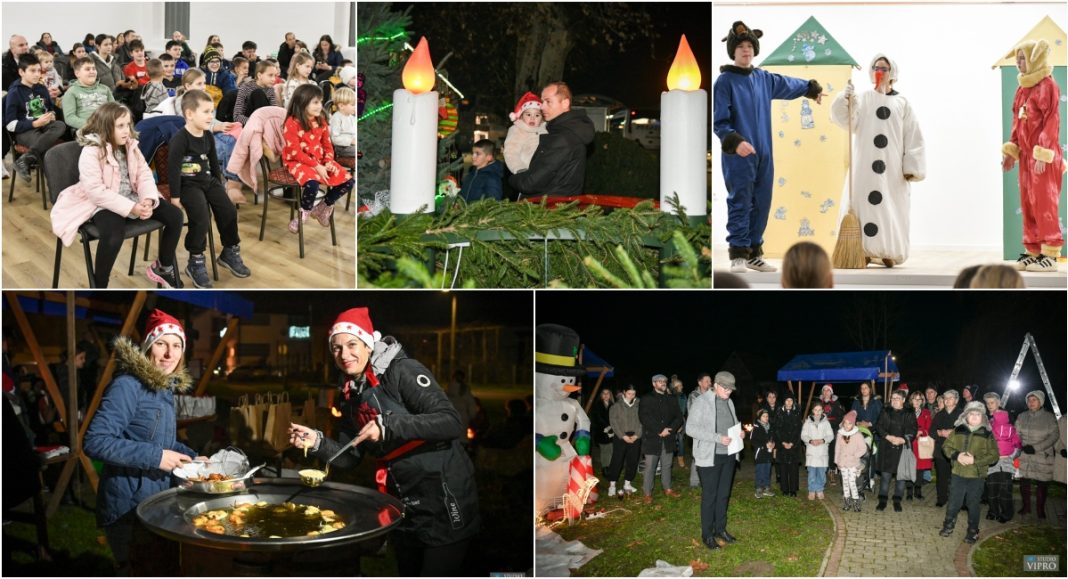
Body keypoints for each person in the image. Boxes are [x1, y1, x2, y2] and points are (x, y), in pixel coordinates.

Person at [287, 307, 479, 576]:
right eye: (336, 348)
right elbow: (349, 457)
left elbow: (451, 422)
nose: (344, 355)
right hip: (401, 500)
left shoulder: (403, 370)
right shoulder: (349, 394)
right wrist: (317, 442)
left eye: (352, 344)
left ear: (368, 342)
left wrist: (387, 425)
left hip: (442, 494)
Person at [83, 309, 201, 574]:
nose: (170, 354)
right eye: (161, 344)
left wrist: (194, 459)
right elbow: (95, 441)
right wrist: (157, 458)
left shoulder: (164, 388)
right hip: (128, 508)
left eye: (177, 345)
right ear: (148, 345)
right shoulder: (128, 385)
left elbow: (164, 441)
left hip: (158, 503)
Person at [714, 21, 824, 273]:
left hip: (764, 154)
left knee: (763, 201)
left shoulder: (763, 78)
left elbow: (788, 84)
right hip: (739, 154)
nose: (746, 50)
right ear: (733, 51)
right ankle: (738, 255)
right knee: (740, 201)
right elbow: (720, 121)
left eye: (750, 46)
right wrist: (735, 141)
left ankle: (754, 253)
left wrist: (810, 89)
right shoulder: (725, 81)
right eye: (741, 46)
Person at [50, 103, 185, 288]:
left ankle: (163, 267)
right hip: (101, 203)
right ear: (105, 127)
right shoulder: (91, 151)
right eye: (120, 126)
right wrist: (132, 208)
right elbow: (96, 192)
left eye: (128, 125)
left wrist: (147, 199)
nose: (127, 131)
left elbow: (144, 174)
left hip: (132, 196)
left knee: (176, 216)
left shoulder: (130, 145)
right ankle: (100, 285)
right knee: (113, 236)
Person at [830, 54, 926, 267]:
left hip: (892, 167)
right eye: (875, 67)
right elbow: (846, 122)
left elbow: (913, 135)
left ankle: (888, 250)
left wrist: (912, 166)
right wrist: (843, 100)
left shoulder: (902, 103)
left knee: (891, 207)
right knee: (862, 205)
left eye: (884, 67)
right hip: (864, 163)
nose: (879, 71)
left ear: (893, 73)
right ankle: (862, 250)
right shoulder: (863, 98)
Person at [167, 89, 250, 287]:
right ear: (189, 114)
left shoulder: (207, 136)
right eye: (206, 112)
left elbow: (213, 163)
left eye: (211, 111)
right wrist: (175, 197)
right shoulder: (180, 139)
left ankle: (229, 251)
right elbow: (173, 169)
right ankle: (195, 261)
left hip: (208, 181)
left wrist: (219, 187)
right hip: (188, 185)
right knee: (202, 217)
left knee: (228, 210)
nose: (211, 116)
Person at [1001, 39, 1062, 272]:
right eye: (1017, 58)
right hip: (1026, 157)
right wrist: (1011, 151)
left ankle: (1051, 254)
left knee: (1045, 203)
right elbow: (1017, 122)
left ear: (1035, 58)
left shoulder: (1048, 85)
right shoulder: (1021, 88)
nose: (1018, 62)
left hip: (1043, 158)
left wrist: (1042, 153)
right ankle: (1033, 250)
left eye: (1023, 57)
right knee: (1028, 204)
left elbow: (1052, 121)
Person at [283, 84, 353, 233]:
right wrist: (316, 166)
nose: (319, 106)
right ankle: (303, 214)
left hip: (320, 161)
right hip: (298, 161)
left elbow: (328, 146)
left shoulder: (321, 120)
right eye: (315, 102)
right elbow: (295, 152)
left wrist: (328, 162)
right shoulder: (292, 122)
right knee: (312, 184)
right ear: (302, 101)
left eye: (320, 102)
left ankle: (323, 206)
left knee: (349, 181)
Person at [508, 81, 595, 198]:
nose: (542, 106)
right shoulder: (564, 131)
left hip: (547, 209)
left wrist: (513, 178)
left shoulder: (563, 137)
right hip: (554, 207)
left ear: (565, 103)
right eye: (542, 101)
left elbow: (530, 183)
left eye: (548, 101)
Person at [687, 371, 742, 550]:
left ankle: (720, 529)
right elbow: (690, 429)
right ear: (716, 385)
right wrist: (718, 438)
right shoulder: (702, 402)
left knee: (723, 494)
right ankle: (707, 535)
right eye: (726, 388)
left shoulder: (730, 402)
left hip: (729, 455)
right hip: (710, 456)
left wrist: (738, 432)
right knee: (710, 497)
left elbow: (731, 423)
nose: (729, 392)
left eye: (731, 389)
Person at [939, 401, 1000, 544]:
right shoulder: (958, 430)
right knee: (954, 502)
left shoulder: (987, 434)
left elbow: (994, 456)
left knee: (973, 504)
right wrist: (957, 455)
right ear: (965, 416)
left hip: (976, 476)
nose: (974, 417)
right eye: (971, 414)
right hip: (958, 474)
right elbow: (946, 447)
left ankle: (973, 531)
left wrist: (975, 460)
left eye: (977, 414)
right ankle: (948, 525)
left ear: (983, 418)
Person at [5, 53, 68, 182]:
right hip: (25, 131)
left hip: (45, 126)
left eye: (39, 70)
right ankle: (58, 185)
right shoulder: (14, 92)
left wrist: (52, 115)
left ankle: (25, 160)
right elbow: (10, 125)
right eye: (32, 71)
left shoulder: (41, 88)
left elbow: (50, 108)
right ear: (21, 72)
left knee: (60, 125)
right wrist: (34, 124)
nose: (37, 74)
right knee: (47, 146)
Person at [639, 373, 684, 503]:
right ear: (654, 384)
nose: (663, 383)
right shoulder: (646, 398)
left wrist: (670, 429)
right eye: (659, 381)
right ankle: (647, 493)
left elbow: (679, 417)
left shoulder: (671, 399)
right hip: (653, 438)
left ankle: (668, 488)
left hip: (668, 437)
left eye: (664, 381)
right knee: (650, 467)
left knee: (667, 465)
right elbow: (644, 417)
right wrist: (659, 429)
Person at [1015, 390, 1058, 518]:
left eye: (1034, 400)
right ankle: (1026, 507)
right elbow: (1016, 434)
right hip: (1024, 455)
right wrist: (1021, 444)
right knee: (1024, 482)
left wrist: (1036, 448)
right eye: (1029, 400)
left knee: (1042, 484)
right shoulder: (1021, 416)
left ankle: (1040, 509)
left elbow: (1054, 435)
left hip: (1042, 456)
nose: (1031, 402)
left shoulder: (1049, 417)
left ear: (1041, 401)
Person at [875, 386, 917, 512]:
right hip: (887, 446)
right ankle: (882, 500)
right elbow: (879, 426)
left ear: (903, 400)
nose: (894, 400)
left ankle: (897, 500)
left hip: (902, 448)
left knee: (901, 477)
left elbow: (913, 429)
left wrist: (903, 439)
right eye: (892, 398)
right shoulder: (885, 410)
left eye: (897, 398)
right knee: (885, 476)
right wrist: (888, 436)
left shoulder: (909, 413)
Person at [984, 393, 1021, 523]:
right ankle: (993, 511)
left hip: (1006, 462)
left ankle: (1007, 513)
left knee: (1005, 490)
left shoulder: (1009, 425)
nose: (989, 405)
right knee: (992, 489)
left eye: (992, 402)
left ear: (999, 403)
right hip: (991, 462)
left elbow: (1017, 444)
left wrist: (1010, 457)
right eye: (987, 403)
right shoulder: (988, 422)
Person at [606, 384, 641, 498]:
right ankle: (612, 485)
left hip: (635, 437)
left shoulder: (639, 405)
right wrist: (623, 436)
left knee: (632, 460)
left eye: (633, 394)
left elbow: (642, 421)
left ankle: (627, 484)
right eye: (629, 393)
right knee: (617, 460)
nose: (631, 396)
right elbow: (613, 422)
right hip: (620, 437)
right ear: (624, 392)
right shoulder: (616, 406)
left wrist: (637, 435)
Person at [61, 56, 115, 130]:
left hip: (108, 126)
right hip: (87, 129)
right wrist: (93, 125)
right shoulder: (71, 92)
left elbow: (115, 109)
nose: (92, 71)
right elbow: (69, 118)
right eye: (87, 69)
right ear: (77, 73)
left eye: (94, 68)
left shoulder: (105, 89)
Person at [503, 91, 547, 174]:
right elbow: (511, 152)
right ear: (521, 116)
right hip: (525, 171)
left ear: (542, 118)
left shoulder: (545, 130)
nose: (532, 118)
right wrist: (519, 169)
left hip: (544, 173)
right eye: (528, 114)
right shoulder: (517, 129)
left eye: (537, 115)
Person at [931, 389, 962, 507]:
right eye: (946, 398)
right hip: (941, 450)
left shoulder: (962, 414)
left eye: (951, 398)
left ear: (956, 400)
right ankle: (941, 499)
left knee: (957, 477)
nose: (947, 400)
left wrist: (952, 432)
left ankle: (959, 501)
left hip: (957, 450)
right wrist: (940, 433)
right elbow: (931, 431)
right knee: (941, 477)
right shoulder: (939, 414)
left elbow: (967, 430)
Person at [836, 410, 867, 511]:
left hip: (853, 463)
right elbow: (837, 448)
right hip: (843, 463)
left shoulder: (857, 435)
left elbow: (863, 448)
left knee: (852, 482)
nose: (846, 425)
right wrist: (837, 461)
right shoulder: (840, 434)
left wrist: (855, 455)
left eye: (849, 423)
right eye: (845, 423)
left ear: (853, 424)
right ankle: (847, 502)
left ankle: (856, 502)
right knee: (845, 483)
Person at [802, 402, 834, 500]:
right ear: (812, 411)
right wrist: (810, 441)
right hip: (811, 450)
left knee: (821, 473)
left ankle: (819, 489)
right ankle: (812, 490)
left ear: (822, 411)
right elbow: (803, 435)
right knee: (811, 473)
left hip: (822, 451)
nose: (817, 412)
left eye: (819, 410)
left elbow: (831, 435)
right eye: (815, 410)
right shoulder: (808, 422)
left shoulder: (826, 422)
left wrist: (823, 440)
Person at [774, 392, 803, 497]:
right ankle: (785, 489)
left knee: (793, 468)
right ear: (784, 402)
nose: (789, 402)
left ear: (793, 402)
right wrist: (782, 442)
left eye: (791, 400)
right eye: (787, 400)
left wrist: (792, 443)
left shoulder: (797, 412)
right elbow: (777, 429)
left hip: (793, 444)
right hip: (782, 444)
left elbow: (798, 429)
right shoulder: (779, 412)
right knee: (783, 467)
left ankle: (793, 489)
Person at [233, 60, 278, 126]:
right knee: (258, 93)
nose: (274, 79)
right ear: (259, 75)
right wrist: (256, 123)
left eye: (275, 75)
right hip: (250, 124)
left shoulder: (271, 89)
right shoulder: (245, 87)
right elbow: (237, 116)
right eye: (270, 75)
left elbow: (274, 112)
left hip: (266, 125)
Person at [687, 373, 713, 487]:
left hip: (711, 430)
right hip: (698, 429)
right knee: (697, 454)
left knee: (709, 454)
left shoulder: (712, 394)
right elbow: (692, 412)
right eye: (707, 381)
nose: (709, 383)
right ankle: (694, 481)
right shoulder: (694, 395)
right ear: (700, 382)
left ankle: (706, 480)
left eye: (710, 381)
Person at [907, 390, 933, 500]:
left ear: (922, 401)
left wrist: (922, 432)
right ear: (911, 400)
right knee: (908, 467)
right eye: (914, 399)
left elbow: (930, 428)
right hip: (909, 443)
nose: (917, 401)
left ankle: (917, 491)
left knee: (920, 469)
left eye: (919, 399)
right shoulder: (907, 412)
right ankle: (909, 493)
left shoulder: (926, 412)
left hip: (921, 444)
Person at [818, 384, 845, 481]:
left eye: (828, 390)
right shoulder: (818, 403)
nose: (826, 392)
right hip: (820, 431)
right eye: (824, 390)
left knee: (832, 451)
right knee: (821, 451)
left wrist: (829, 423)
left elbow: (840, 417)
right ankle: (821, 472)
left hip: (832, 430)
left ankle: (831, 471)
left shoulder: (836, 403)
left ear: (831, 392)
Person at [589, 387, 614, 478]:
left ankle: (610, 468)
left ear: (610, 395)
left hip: (612, 432)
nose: (606, 395)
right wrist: (608, 427)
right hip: (601, 432)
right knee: (604, 451)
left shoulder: (613, 405)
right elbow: (599, 419)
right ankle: (605, 470)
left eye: (608, 393)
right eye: (604, 393)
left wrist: (612, 427)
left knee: (611, 450)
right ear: (601, 395)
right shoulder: (597, 405)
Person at [751, 408, 775, 498]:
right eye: (764, 416)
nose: (766, 418)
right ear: (759, 417)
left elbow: (773, 438)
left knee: (767, 471)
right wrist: (764, 445)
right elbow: (753, 440)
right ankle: (759, 488)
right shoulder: (756, 427)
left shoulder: (770, 427)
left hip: (768, 454)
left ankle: (766, 488)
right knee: (760, 471)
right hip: (760, 454)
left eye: (767, 416)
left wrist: (773, 444)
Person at [330, 86, 356, 158]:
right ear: (341, 106)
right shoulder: (336, 118)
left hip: (351, 145)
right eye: (353, 105)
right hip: (342, 147)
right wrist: (351, 141)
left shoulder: (352, 117)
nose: (356, 107)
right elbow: (334, 139)